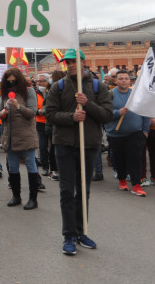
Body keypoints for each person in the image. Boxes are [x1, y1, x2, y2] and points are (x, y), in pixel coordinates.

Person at [45, 49, 113, 256]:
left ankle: (82, 232)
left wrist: (88, 103)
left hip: (89, 145)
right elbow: (50, 114)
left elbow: (107, 115)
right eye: (67, 62)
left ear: (83, 62)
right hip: (64, 145)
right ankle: (69, 235)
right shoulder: (58, 87)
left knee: (84, 192)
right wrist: (71, 117)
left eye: (74, 61)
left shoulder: (97, 86)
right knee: (67, 191)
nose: (71, 65)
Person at [0, 67, 40, 210]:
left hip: (26, 135)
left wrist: (18, 106)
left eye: (13, 81)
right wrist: (2, 112)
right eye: (8, 82)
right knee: (13, 168)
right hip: (10, 136)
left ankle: (33, 199)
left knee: (31, 166)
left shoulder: (29, 91)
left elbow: (32, 113)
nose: (11, 84)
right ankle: (16, 196)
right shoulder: (5, 93)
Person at [104, 70, 150, 197]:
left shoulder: (136, 94)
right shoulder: (110, 95)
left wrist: (145, 130)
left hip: (135, 132)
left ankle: (136, 185)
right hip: (116, 134)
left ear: (130, 81)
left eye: (126, 78)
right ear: (115, 81)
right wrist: (118, 113)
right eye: (121, 78)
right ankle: (122, 179)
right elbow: (104, 113)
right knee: (119, 158)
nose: (124, 81)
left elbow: (145, 112)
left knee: (135, 158)